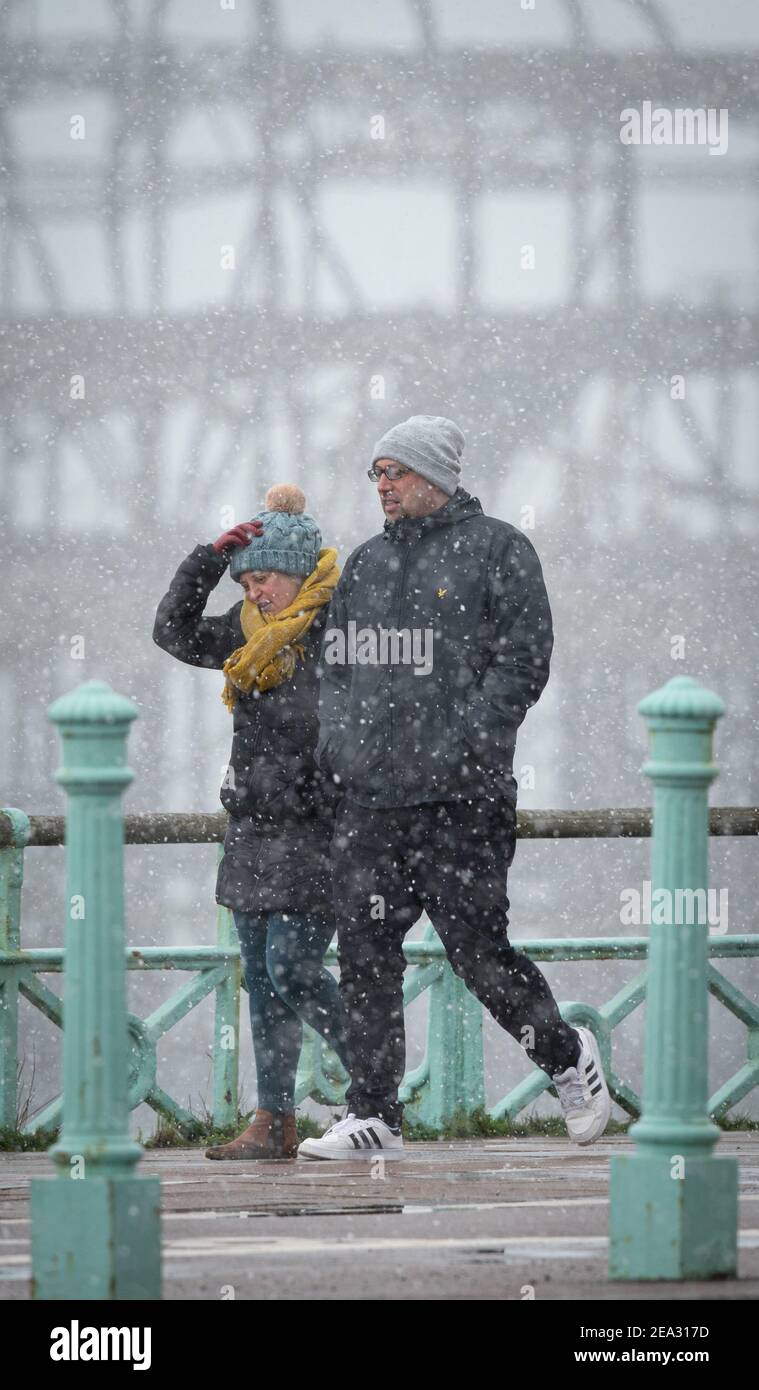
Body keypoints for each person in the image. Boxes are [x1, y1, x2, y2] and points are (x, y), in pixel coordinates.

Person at [298, 416, 611, 1161]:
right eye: (374, 473)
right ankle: (373, 1114)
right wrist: (340, 751)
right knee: (366, 952)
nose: (381, 485)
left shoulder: (501, 549)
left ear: (434, 476)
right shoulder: (365, 565)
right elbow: (335, 674)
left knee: (475, 951)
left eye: (394, 472)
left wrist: (468, 741)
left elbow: (524, 661)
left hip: (463, 800)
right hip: (374, 803)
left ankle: (567, 1059)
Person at [153, 483, 350, 1160]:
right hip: (252, 828)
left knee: (293, 968)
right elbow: (171, 631)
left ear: (299, 573)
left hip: (318, 831)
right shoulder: (244, 637)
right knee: (262, 981)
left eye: (263, 578)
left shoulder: (341, 632)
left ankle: (377, 1085)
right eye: (247, 581)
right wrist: (209, 559)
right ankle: (274, 1122)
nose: (255, 592)